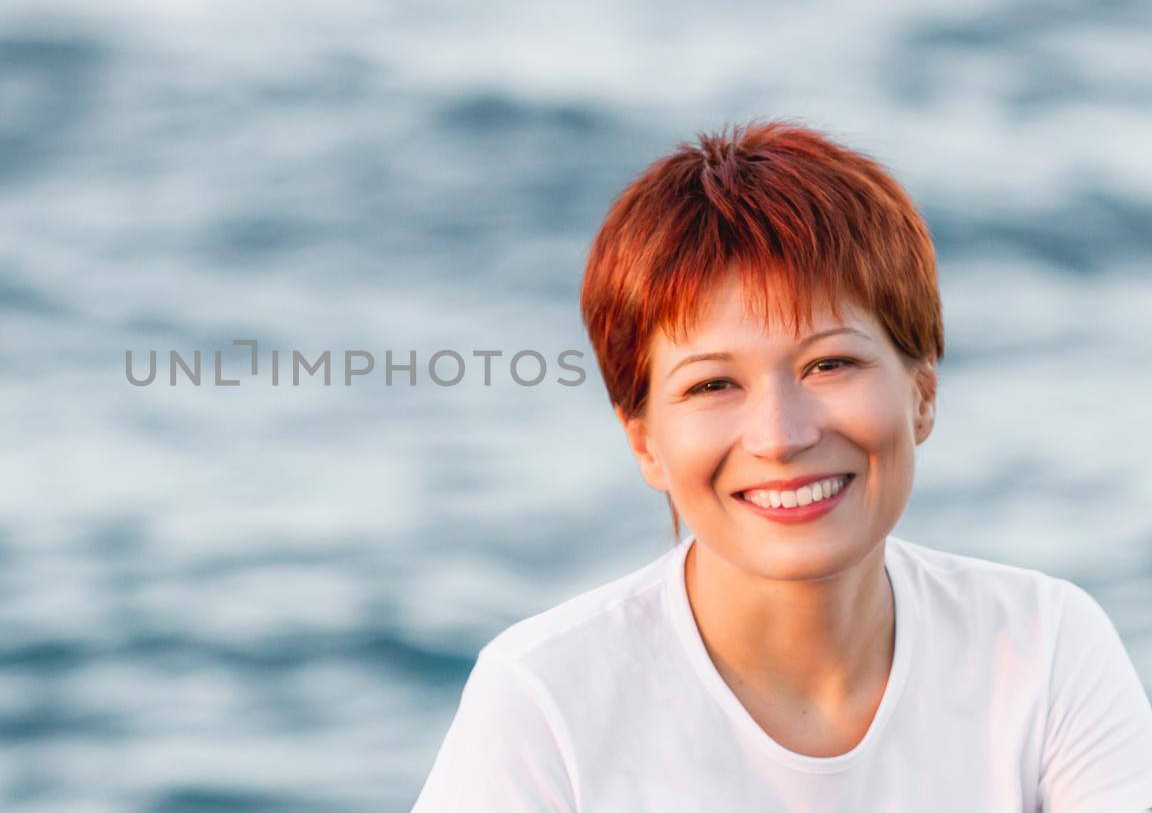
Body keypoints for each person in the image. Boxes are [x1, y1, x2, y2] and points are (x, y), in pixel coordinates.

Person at [411, 120, 1152, 811]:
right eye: (711, 385)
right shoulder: (545, 702)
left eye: (829, 363)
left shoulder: (1045, 647)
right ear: (644, 442)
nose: (780, 436)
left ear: (922, 393)